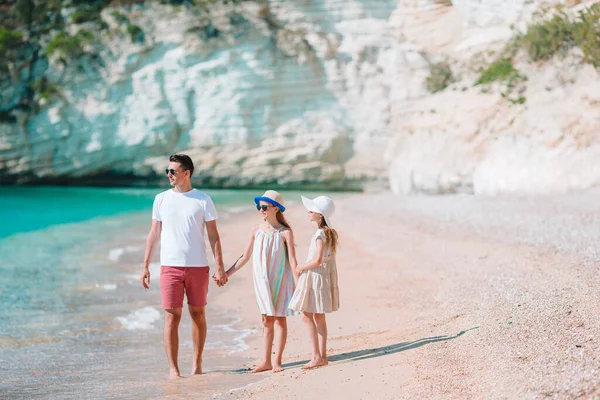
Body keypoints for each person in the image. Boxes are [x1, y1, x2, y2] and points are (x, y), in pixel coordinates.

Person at [140, 154, 228, 379]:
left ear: (186, 173)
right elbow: (154, 233)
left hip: (198, 266)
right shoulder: (160, 199)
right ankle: (173, 370)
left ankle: (197, 364)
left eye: (173, 171)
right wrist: (146, 265)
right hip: (169, 266)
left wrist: (220, 266)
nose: (169, 175)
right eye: (167, 171)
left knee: (198, 314)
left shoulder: (203, 199)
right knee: (172, 316)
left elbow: (213, 235)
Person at [222, 190, 298, 373]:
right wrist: (226, 273)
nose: (260, 210)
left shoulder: (285, 232)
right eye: (259, 207)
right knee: (266, 320)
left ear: (276, 209)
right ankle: (265, 361)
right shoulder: (255, 230)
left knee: (280, 319)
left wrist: (301, 282)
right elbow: (245, 256)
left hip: (280, 280)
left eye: (264, 207)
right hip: (262, 281)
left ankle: (277, 361)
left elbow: (294, 261)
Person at [288, 195, 340, 369]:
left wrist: (301, 267)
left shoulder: (320, 233)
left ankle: (317, 356)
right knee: (319, 316)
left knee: (307, 315)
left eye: (312, 210)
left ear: (320, 214)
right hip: (323, 276)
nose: (308, 212)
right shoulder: (329, 232)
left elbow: (317, 260)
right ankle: (321, 355)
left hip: (316, 276)